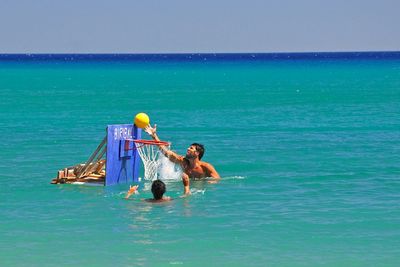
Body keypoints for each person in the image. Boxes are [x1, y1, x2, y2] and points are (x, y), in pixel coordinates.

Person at [144, 124, 220, 195]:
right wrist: (154, 136)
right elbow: (166, 152)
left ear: (197, 153)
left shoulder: (206, 167)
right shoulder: (183, 162)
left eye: (191, 148)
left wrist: (207, 183)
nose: (188, 149)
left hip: (201, 191)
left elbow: (217, 179)